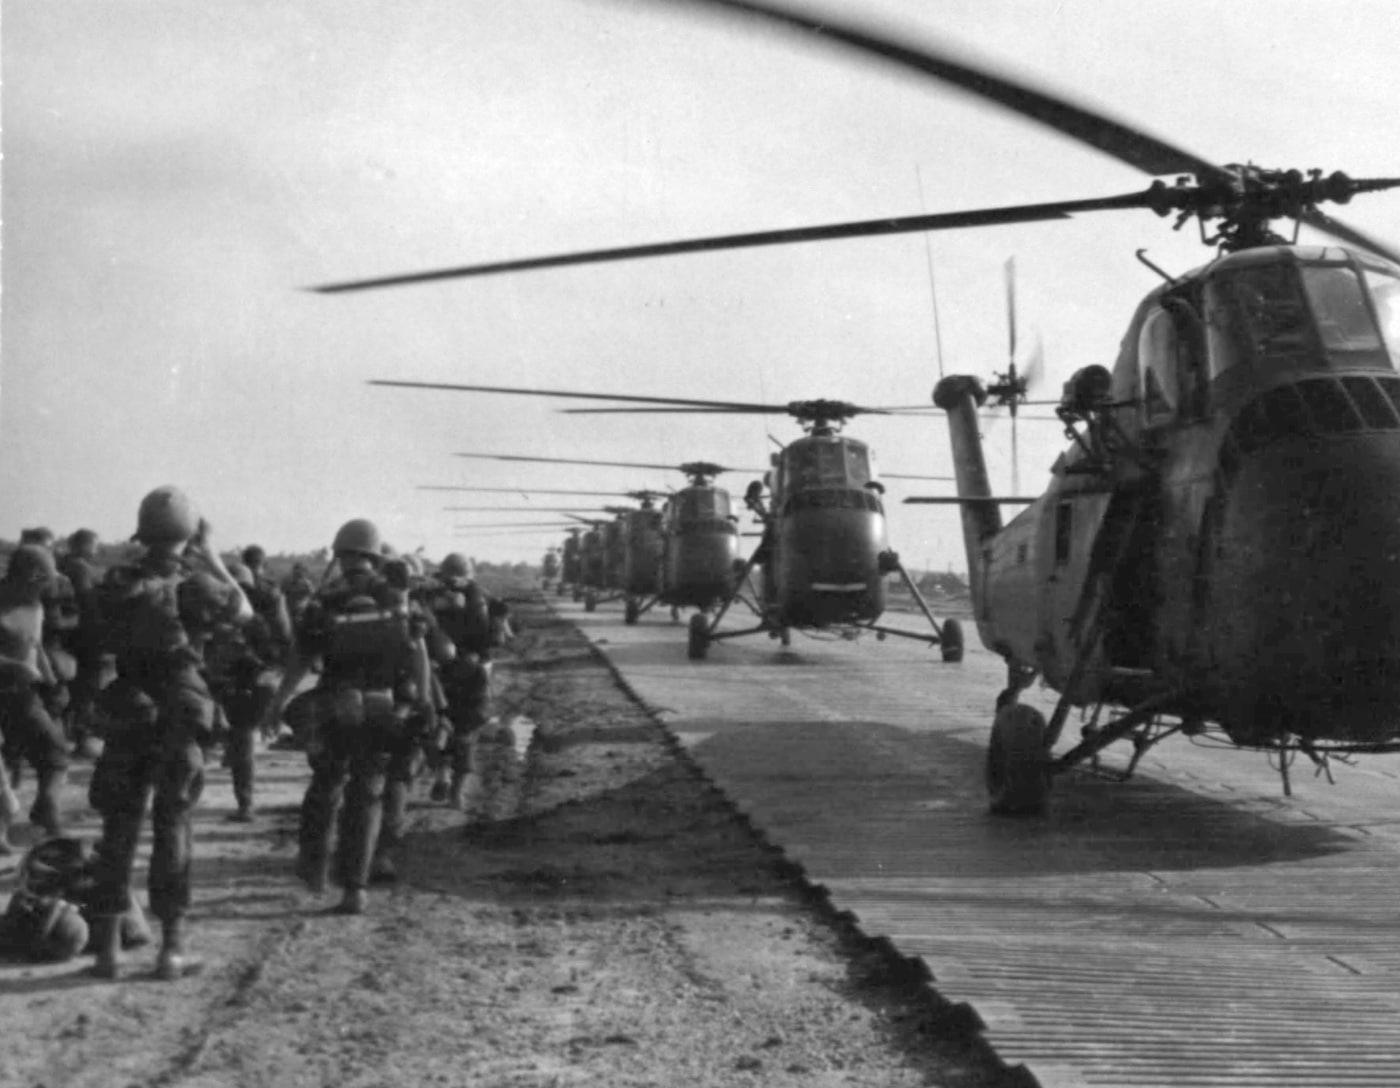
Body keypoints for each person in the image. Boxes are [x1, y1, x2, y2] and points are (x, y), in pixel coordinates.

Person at [86, 486, 252, 980]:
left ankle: (109, 952)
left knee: (118, 827)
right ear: (189, 531)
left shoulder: (116, 582)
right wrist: (214, 557)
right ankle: (171, 950)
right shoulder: (197, 584)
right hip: (180, 704)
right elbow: (244, 612)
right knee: (173, 825)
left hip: (130, 701)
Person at [261, 518, 432, 915]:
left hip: (335, 707)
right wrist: (423, 699)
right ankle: (355, 889)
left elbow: (301, 659)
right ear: (374, 555)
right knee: (368, 792)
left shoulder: (325, 599)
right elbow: (418, 652)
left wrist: (277, 703)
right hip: (383, 706)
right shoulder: (398, 597)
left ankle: (316, 872)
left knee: (325, 785)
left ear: (340, 554)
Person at [421, 552, 512, 810]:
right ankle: (456, 794)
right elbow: (495, 641)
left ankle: (441, 775)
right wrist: (500, 616)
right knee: (465, 733)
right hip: (473, 675)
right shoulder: (479, 598)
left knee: (432, 726)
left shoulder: (430, 596)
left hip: (436, 673)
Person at [0, 545, 71, 853]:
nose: (49, 587)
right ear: (30, 577)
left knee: (53, 753)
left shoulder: (35, 606)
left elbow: (35, 645)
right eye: (45, 580)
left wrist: (51, 680)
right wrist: (15, 666)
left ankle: (45, 817)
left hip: (20, 695)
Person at [57, 529, 105, 756]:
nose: (97, 550)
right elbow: (89, 603)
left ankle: (64, 734)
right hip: (86, 635)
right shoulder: (81, 568)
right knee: (87, 688)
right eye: (94, 545)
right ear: (84, 545)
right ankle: (82, 738)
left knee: (68, 686)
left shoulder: (61, 564)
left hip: (66, 634)